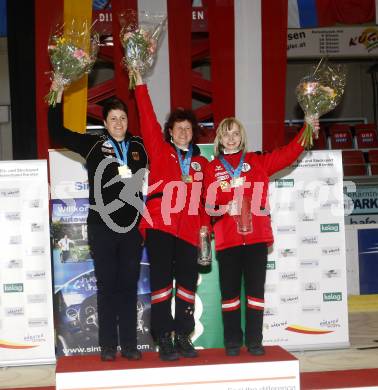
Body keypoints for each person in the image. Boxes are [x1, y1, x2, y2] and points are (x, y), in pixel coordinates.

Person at [48, 84, 147, 362]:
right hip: (101, 227)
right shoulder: (93, 145)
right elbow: (58, 133)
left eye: (123, 118)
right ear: (104, 122)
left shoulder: (138, 146)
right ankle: (107, 346)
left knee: (128, 285)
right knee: (106, 286)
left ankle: (129, 344)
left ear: (129, 122)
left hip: (130, 229)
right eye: (113, 118)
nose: (118, 123)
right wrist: (56, 95)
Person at [203, 117, 319, 356]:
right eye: (226, 134)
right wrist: (225, 206)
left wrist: (306, 128)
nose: (231, 138)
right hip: (227, 240)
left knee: (256, 293)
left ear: (242, 137)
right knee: (230, 295)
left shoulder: (257, 161)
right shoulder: (211, 168)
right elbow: (208, 203)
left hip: (256, 239)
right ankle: (233, 342)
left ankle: (255, 341)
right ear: (219, 139)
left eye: (235, 134)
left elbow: (288, 154)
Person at [134, 73, 209, 361]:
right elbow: (146, 114)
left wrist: (204, 230)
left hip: (190, 231)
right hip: (161, 226)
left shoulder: (201, 163)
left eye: (188, 129)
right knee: (162, 283)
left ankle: (183, 336)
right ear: (169, 132)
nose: (183, 133)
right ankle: (164, 337)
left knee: (188, 285)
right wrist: (139, 80)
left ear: (193, 133)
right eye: (178, 128)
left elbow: (205, 203)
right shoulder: (159, 150)